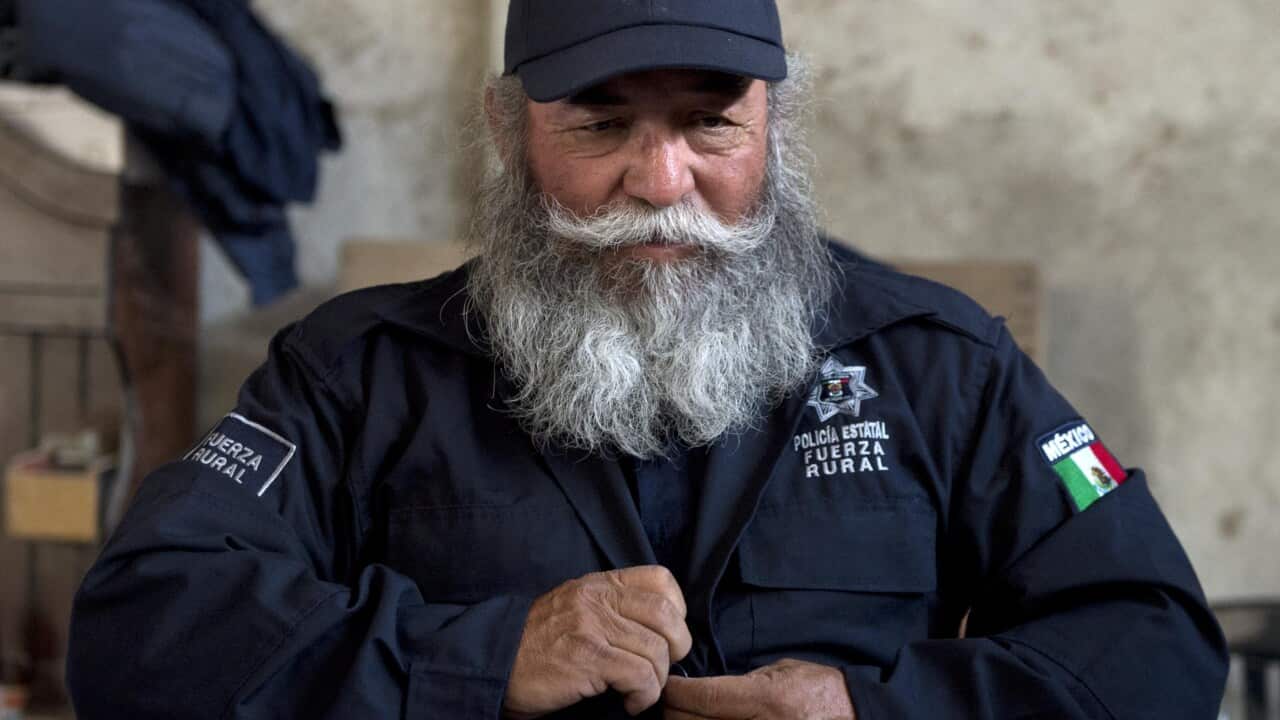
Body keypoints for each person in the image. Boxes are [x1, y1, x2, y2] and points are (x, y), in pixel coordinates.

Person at [66, 1, 1228, 718]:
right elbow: (141, 633)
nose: (659, 182)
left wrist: (871, 712)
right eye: (600, 124)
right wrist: (473, 661)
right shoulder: (352, 373)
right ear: (508, 128)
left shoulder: (935, 362)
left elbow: (1152, 643)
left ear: (776, 123)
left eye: (708, 123)